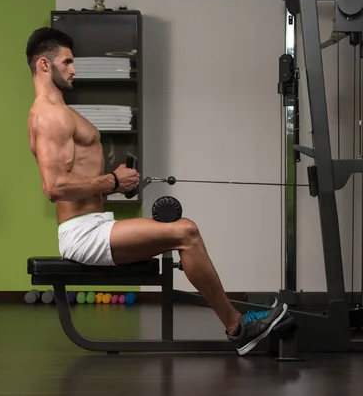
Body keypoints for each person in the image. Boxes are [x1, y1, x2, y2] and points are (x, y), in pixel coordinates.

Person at [26, 27, 289, 355]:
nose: (74, 69)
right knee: (186, 232)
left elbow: (78, 177)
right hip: (82, 236)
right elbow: (55, 187)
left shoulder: (62, 112)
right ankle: (238, 327)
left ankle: (240, 321)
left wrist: (119, 184)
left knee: (185, 232)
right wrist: (113, 181)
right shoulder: (48, 118)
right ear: (44, 65)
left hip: (95, 224)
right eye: (67, 62)